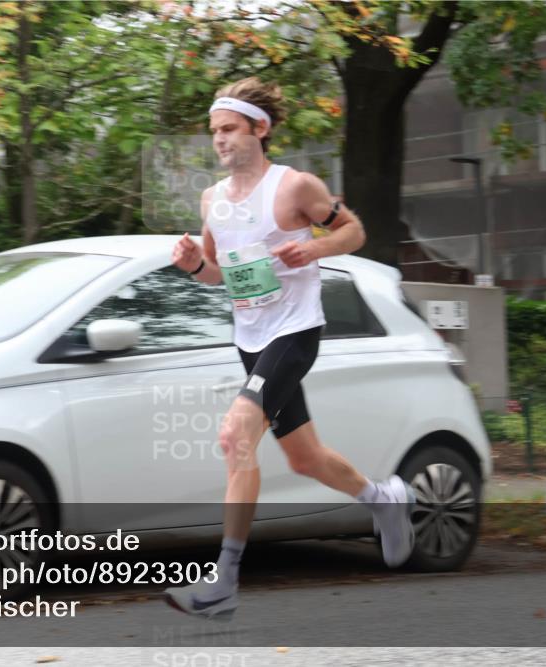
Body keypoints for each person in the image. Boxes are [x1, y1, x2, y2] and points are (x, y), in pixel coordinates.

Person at [164, 77, 416, 621]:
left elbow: (353, 231)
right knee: (305, 458)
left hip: (294, 332)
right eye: (214, 130)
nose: (219, 139)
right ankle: (384, 499)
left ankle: (224, 581)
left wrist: (315, 248)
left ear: (260, 128)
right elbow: (218, 274)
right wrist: (193, 265)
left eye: (230, 128)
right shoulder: (213, 201)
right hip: (250, 340)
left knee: (235, 437)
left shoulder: (294, 187)